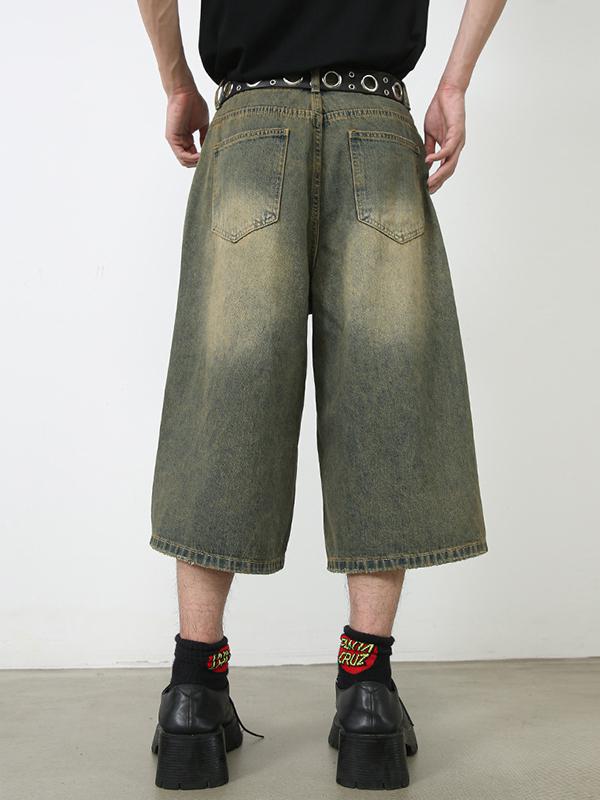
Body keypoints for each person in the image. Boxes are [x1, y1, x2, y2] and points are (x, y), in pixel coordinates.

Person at [137, 0, 506, 790]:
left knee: (223, 398)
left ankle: (195, 691)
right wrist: (454, 83)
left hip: (248, 123)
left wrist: (178, 83)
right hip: (377, 124)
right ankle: (368, 692)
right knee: (385, 395)